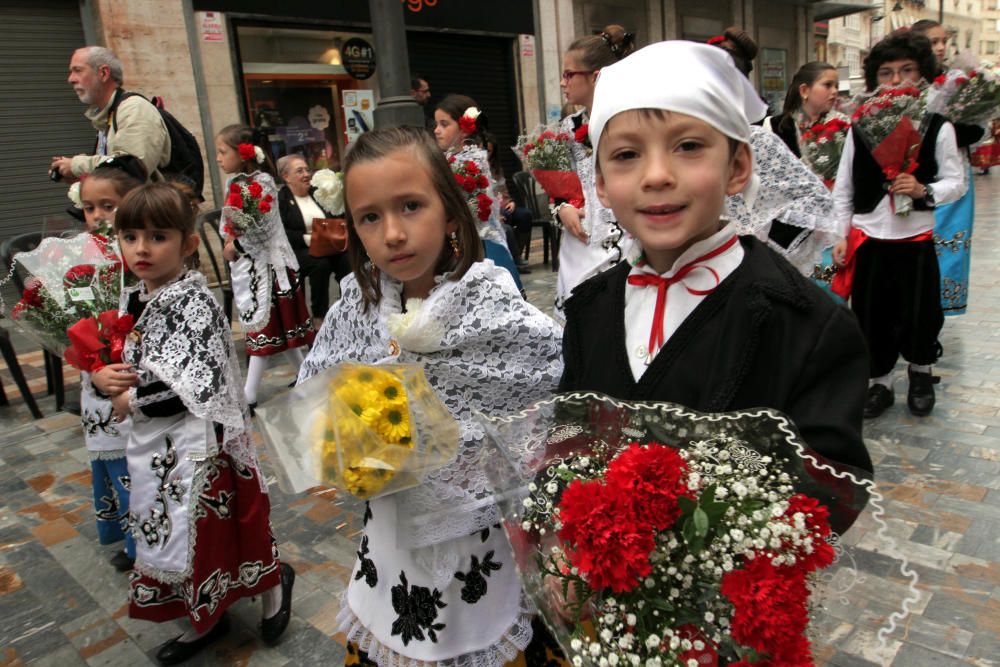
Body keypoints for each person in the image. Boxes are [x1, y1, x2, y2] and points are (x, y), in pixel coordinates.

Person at [559, 41, 872, 530]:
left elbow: (832, 487)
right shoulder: (589, 309)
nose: (657, 175)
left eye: (688, 147)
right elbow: (571, 436)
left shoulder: (807, 322)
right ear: (599, 184)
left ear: (738, 167)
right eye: (626, 155)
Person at [297, 126, 564, 666]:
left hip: (477, 540)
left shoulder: (491, 305)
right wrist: (353, 436)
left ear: (448, 209)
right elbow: (318, 398)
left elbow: (543, 403)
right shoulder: (356, 308)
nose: (393, 233)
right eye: (370, 217)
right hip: (392, 532)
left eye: (411, 206)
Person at [91, 183, 294, 664]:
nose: (141, 249)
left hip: (202, 445)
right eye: (131, 236)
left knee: (219, 529)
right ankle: (206, 613)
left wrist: (130, 399)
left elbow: (193, 386)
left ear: (185, 244)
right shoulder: (136, 295)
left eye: (157, 236)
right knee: (171, 528)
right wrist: (103, 373)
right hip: (157, 445)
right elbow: (125, 356)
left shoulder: (193, 302)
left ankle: (271, 587)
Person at [831, 30, 966, 419]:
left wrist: (924, 189)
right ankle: (881, 383)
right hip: (871, 237)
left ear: (922, 74)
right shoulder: (859, 127)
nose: (896, 81)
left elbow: (955, 182)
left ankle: (921, 374)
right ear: (875, 78)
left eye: (906, 71)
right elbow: (844, 186)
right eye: (887, 73)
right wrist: (842, 235)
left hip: (915, 238)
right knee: (872, 315)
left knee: (921, 313)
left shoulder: (937, 126)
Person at [706, 32, 840, 294]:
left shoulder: (757, 141)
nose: (834, 91)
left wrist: (760, 228)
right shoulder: (774, 127)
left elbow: (815, 202)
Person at [76, 155, 147, 573]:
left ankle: (146, 544)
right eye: (90, 207)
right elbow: (75, 321)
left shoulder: (141, 258)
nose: (98, 215)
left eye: (108, 205)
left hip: (130, 379)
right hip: (98, 380)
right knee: (114, 464)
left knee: (136, 466)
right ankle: (131, 537)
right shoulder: (81, 263)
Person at [215, 124, 314, 408]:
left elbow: (260, 228)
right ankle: (307, 374)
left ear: (243, 152)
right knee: (280, 330)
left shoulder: (260, 183)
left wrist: (235, 245)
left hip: (269, 269)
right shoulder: (234, 182)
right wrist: (231, 238)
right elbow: (232, 222)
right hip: (249, 266)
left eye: (223, 152)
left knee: (265, 331)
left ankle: (249, 393)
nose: (219, 158)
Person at [552, 24, 635, 315]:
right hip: (582, 232)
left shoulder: (630, 118)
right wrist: (562, 207)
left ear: (596, 76)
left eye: (569, 74)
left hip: (627, 225)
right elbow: (562, 184)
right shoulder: (569, 126)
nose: (563, 82)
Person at [913, 18, 983, 317]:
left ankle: (939, 309)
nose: (940, 47)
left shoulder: (958, 82)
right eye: (933, 41)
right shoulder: (904, 85)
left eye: (944, 41)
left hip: (954, 178)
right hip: (914, 177)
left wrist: (949, 126)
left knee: (950, 247)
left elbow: (977, 130)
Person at [763, 61, 849, 298]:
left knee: (825, 291)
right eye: (827, 85)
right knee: (788, 293)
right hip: (785, 228)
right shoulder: (774, 126)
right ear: (804, 90)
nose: (834, 92)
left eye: (836, 86)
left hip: (827, 231)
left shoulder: (842, 127)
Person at [433, 94, 525, 292]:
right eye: (436, 124)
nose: (436, 130)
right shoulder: (453, 158)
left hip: (477, 243)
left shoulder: (468, 161)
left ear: (464, 127)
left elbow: (474, 207)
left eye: (444, 124)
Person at [50, 47, 170, 182]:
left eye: (78, 70)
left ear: (103, 73)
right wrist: (79, 179)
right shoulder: (107, 115)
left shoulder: (134, 109)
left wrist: (76, 164)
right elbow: (115, 179)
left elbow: (133, 169)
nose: (70, 79)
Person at [276, 154, 351, 328]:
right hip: (300, 249)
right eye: (299, 171)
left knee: (348, 260)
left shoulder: (317, 193)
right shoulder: (282, 200)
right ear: (286, 177)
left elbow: (336, 214)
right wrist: (309, 239)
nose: (306, 174)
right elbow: (282, 232)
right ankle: (319, 317)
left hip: (329, 243)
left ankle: (348, 309)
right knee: (320, 265)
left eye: (307, 170)